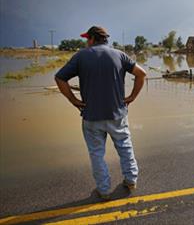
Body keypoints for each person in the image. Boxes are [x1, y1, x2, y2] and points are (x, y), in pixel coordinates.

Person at [55, 26, 146, 200]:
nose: (86, 42)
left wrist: (73, 100)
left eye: (87, 39)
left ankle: (104, 190)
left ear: (92, 39)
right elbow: (141, 74)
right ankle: (131, 180)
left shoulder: (81, 56)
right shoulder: (119, 55)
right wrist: (132, 97)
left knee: (97, 154)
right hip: (117, 114)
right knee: (125, 147)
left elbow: (60, 78)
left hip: (91, 116)